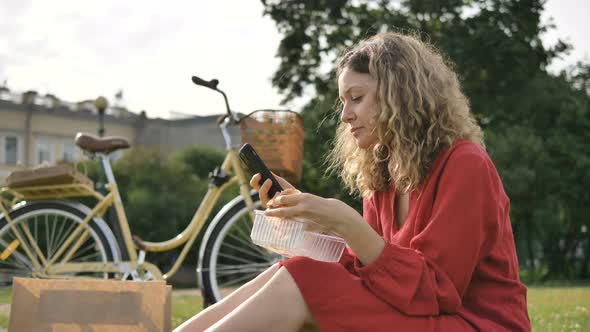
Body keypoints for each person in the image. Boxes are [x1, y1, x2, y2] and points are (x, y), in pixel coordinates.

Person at [174, 31, 531, 332]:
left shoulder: (465, 165)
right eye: (343, 101)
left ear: (401, 96)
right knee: (298, 268)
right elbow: (371, 273)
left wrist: (346, 222)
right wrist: (316, 224)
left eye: (356, 99)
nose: (344, 116)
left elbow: (436, 293)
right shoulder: (383, 172)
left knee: (305, 279)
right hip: (418, 315)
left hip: (472, 323)